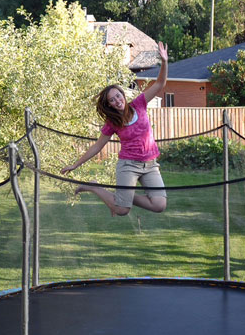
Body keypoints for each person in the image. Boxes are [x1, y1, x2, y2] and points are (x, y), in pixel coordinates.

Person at [60, 42, 169, 216]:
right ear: (109, 105)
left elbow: (160, 84)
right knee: (121, 209)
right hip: (129, 165)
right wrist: (75, 164)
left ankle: (125, 194)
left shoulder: (139, 104)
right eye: (112, 100)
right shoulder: (112, 123)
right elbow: (97, 147)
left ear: (123, 95)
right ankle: (94, 186)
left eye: (118, 96)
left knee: (159, 205)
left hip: (150, 164)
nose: (117, 101)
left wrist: (164, 62)